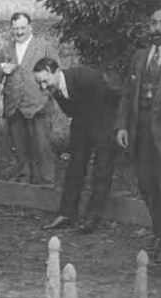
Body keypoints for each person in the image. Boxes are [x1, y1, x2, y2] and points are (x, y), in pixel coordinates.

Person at [116, 2, 161, 263]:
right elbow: (127, 95)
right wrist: (121, 125)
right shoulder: (140, 56)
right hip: (141, 134)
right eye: (153, 23)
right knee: (147, 188)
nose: (157, 28)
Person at [33, 57, 119, 234]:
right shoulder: (55, 89)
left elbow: (110, 99)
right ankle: (66, 215)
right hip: (82, 124)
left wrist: (114, 129)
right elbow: (72, 111)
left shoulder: (84, 76)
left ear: (55, 71)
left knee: (101, 170)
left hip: (105, 123)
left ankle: (92, 218)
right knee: (75, 167)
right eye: (39, 83)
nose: (42, 87)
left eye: (44, 81)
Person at [0, 12, 59, 186]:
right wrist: (1, 70)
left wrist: (45, 97)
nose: (19, 32)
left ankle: (46, 182)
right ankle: (24, 179)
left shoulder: (43, 47)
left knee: (42, 147)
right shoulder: (7, 48)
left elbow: (56, 73)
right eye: (15, 29)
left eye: (22, 28)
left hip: (38, 106)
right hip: (14, 106)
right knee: (20, 147)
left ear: (30, 27)